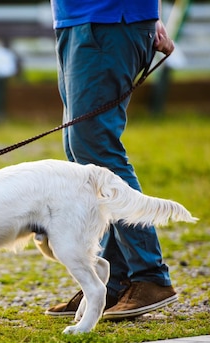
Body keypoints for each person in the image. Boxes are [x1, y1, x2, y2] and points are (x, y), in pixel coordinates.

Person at [45, 0, 178, 320]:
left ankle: (150, 275)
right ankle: (117, 279)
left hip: (107, 23)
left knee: (97, 151)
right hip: (79, 21)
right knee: (82, 153)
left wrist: (143, 14)